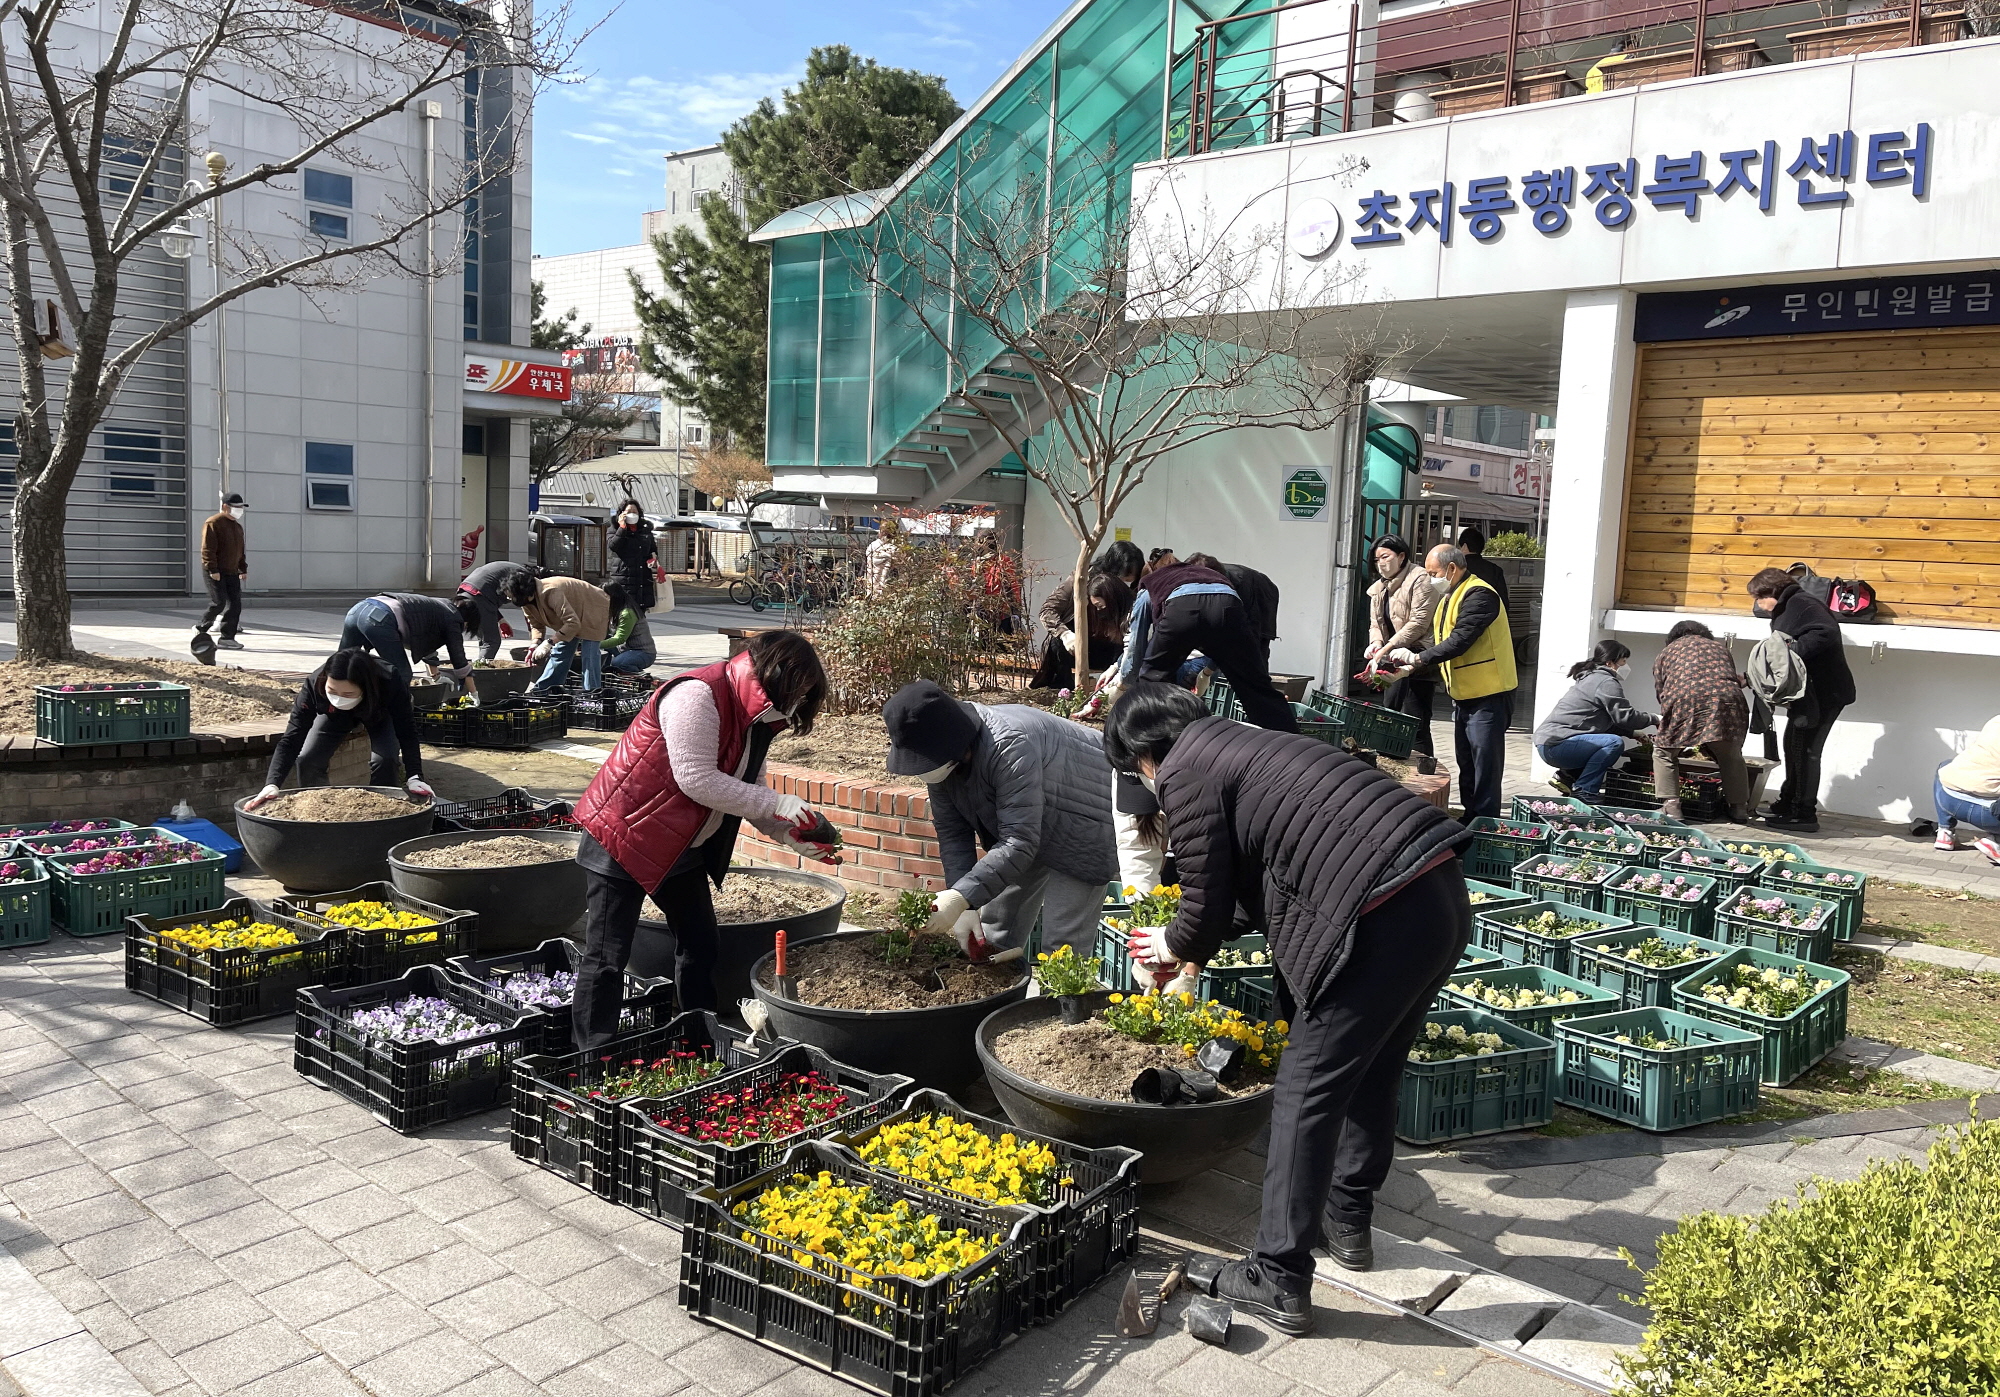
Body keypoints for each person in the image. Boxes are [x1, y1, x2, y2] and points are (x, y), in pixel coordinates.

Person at [1107, 682, 1471, 1332]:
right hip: (1436, 892)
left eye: (1136, 772)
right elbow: (1249, 890)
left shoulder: (1184, 768)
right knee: (1373, 1069)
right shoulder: (1243, 746)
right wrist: (1187, 948)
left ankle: (1276, 1275)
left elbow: (1201, 908)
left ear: (1142, 755)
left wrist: (1166, 945)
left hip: (1375, 913)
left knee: (1304, 1090)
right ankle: (1347, 1217)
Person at [570, 631, 840, 1038]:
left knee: (700, 944)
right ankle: (594, 1054)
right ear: (777, 675)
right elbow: (696, 779)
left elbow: (748, 790)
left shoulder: (755, 716)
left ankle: (697, 1041)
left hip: (679, 845)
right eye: (799, 691)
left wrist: (788, 835)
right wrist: (778, 803)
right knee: (608, 955)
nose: (798, 702)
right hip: (623, 836)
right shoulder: (697, 694)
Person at [884, 680, 1117, 961]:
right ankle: (996, 986)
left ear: (951, 745)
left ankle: (1062, 991)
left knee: (1063, 947)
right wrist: (964, 901)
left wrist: (961, 897)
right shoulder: (942, 758)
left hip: (1089, 817)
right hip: (1031, 821)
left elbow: (1019, 841)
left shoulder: (1008, 747)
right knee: (994, 928)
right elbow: (952, 832)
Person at [1390, 545, 1516, 819]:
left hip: (1490, 695)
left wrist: (1416, 658)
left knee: (1485, 765)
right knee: (1467, 763)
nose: (1430, 579)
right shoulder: (1450, 596)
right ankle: (1470, 818)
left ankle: (1485, 823)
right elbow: (1441, 642)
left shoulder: (1480, 595)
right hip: (1465, 695)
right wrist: (1409, 669)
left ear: (1451, 568)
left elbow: (1459, 641)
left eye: (1433, 573)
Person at [1118, 555, 1297, 732]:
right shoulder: (1212, 576)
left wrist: (1126, 681)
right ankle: (1291, 737)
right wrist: (1207, 672)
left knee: (1152, 682)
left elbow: (1136, 643)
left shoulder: (1150, 584)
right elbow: (1221, 644)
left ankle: (1151, 736)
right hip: (1228, 602)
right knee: (1255, 685)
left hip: (1182, 607)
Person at [246, 648, 431, 806]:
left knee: (385, 760)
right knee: (307, 759)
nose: (339, 697)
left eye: (348, 694)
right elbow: (292, 737)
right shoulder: (314, 684)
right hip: (333, 715)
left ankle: (384, 808)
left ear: (365, 687)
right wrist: (272, 784)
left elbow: (407, 731)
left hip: (379, 714)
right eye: (332, 691)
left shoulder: (389, 680)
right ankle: (317, 806)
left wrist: (415, 776)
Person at [1747, 566, 1856, 832]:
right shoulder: (1792, 605)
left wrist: (1792, 654)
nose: (1758, 604)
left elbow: (1825, 631)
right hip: (1811, 694)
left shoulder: (1802, 603)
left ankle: (1803, 814)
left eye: (1759, 598)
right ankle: (1787, 803)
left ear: (1772, 592)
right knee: (1793, 747)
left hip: (1823, 694)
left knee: (1805, 752)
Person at [1651, 620, 1753, 823]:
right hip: (1728, 701)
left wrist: (1670, 718)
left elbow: (1661, 690)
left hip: (1684, 698)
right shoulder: (1720, 649)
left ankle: (1672, 807)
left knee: (1664, 751)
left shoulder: (1667, 652)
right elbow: (1726, 677)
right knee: (1730, 753)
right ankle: (1739, 808)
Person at [1532, 640, 1657, 800]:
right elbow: (1626, 717)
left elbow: (1600, 723)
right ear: (1610, 662)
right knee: (1613, 743)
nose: (1626, 666)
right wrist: (1655, 718)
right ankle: (1585, 790)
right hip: (1557, 746)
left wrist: (1633, 733)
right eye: (1623, 661)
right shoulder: (1606, 682)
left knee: (1601, 740)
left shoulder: (1591, 677)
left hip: (1549, 743)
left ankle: (1567, 777)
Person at [1362, 535, 1441, 758]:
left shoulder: (1420, 578)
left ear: (1401, 556)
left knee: (1416, 721)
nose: (1380, 563)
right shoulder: (1379, 587)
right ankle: (1391, 763)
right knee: (1389, 714)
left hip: (1417, 655)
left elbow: (1419, 623)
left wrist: (1386, 648)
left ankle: (1423, 770)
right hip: (1392, 657)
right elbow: (1375, 624)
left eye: (1385, 557)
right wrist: (1376, 644)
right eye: (1376, 560)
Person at [338, 591, 477, 692]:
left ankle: (333, 708)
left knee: (341, 665)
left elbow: (427, 646)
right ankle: (393, 715)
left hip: (357, 610)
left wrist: (436, 676)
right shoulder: (453, 618)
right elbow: (458, 657)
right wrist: (474, 693)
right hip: (379, 619)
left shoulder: (437, 606)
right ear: (467, 621)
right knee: (402, 675)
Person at [1031, 573, 1133, 691]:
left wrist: (1116, 667)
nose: (1099, 611)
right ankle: (1063, 688)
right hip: (1080, 646)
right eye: (1096, 606)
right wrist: (1064, 634)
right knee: (1056, 643)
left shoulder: (1128, 608)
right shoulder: (1075, 584)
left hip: (1111, 650)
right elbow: (1047, 611)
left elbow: (1131, 647)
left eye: (1100, 607)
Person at [1184, 554, 1281, 672]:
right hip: (1234, 590)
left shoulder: (1241, 586)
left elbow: (1239, 630)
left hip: (1260, 596)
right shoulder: (1187, 578)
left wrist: (1209, 670)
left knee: (1255, 650)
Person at [522, 574, 612, 695]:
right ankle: (544, 689)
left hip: (593, 605)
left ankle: (591, 693)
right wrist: (535, 644)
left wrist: (549, 642)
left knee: (589, 654)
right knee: (560, 651)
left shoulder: (551, 591)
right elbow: (536, 625)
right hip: (573, 612)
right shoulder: (524, 600)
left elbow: (572, 623)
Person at [1934, 714, 2000, 863]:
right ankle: (1996, 843)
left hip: (1948, 799)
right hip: (1987, 815)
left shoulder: (1996, 720)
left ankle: (1945, 832)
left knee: (1945, 766)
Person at [196, 493, 249, 651]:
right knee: (218, 603)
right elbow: (207, 549)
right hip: (216, 570)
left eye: (241, 507)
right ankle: (201, 628)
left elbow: (240, 550)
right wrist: (213, 569)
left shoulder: (237, 527)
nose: (239, 510)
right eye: (236, 507)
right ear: (225, 507)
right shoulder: (213, 523)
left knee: (235, 605)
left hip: (232, 570)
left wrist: (242, 568)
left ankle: (227, 638)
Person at [457, 559, 537, 662]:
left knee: (485, 640)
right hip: (479, 596)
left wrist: (500, 620)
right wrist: (534, 639)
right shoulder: (525, 578)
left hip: (465, 593)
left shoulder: (511, 569)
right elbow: (529, 611)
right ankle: (480, 670)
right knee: (491, 642)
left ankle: (479, 664)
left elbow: (490, 598)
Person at [608, 500, 660, 613]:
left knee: (640, 616)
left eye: (635, 512)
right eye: (628, 511)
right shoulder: (615, 528)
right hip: (623, 578)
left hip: (642, 579)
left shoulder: (645, 530)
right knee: (625, 614)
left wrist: (654, 559)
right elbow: (613, 546)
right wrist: (622, 528)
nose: (632, 514)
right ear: (622, 513)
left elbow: (653, 550)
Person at [1455, 527, 1512, 618]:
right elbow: (1503, 603)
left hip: (1461, 619)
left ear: (1464, 546)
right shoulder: (1495, 570)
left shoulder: (1457, 569)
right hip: (1491, 621)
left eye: (1459, 546)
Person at [603, 581, 658, 675]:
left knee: (619, 663)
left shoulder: (627, 613)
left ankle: (640, 677)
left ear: (613, 596)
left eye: (604, 596)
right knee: (604, 643)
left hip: (643, 652)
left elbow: (620, 638)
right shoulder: (615, 610)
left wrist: (595, 644)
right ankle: (605, 672)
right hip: (625, 650)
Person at [864, 518, 902, 596]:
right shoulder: (895, 549)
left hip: (872, 587)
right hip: (890, 590)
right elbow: (902, 571)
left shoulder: (872, 546)